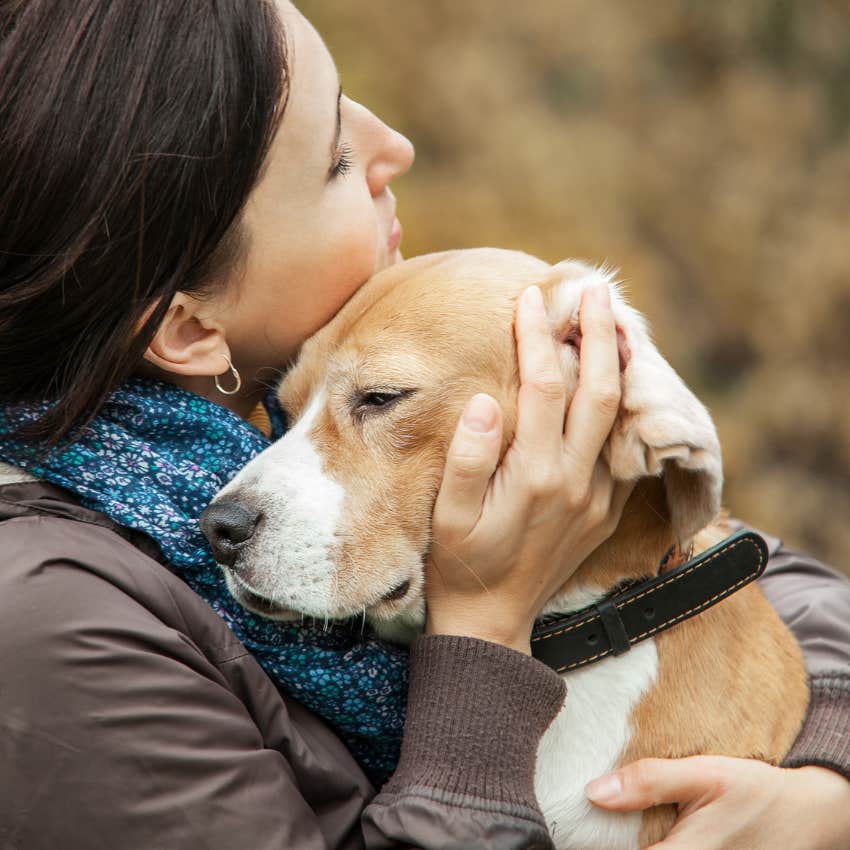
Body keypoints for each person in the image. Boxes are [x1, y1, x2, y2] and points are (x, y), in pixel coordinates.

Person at [0, 2, 847, 848]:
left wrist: (827, 781)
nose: (394, 147)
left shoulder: (263, 415)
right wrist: (483, 622)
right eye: (334, 157)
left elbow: (732, 557)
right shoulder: (52, 626)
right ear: (191, 330)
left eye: (370, 402)